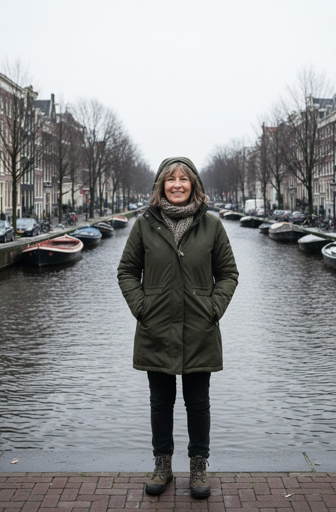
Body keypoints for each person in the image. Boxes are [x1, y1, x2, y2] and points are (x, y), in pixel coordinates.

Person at [117, 157, 239, 499]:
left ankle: (198, 468)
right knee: (160, 401)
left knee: (198, 402)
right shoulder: (144, 224)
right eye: (171, 179)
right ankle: (163, 465)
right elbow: (127, 271)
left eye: (184, 179)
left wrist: (214, 308)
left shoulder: (212, 225)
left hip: (200, 329)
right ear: (161, 186)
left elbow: (228, 274)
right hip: (156, 328)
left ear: (194, 185)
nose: (177, 185)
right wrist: (142, 307)